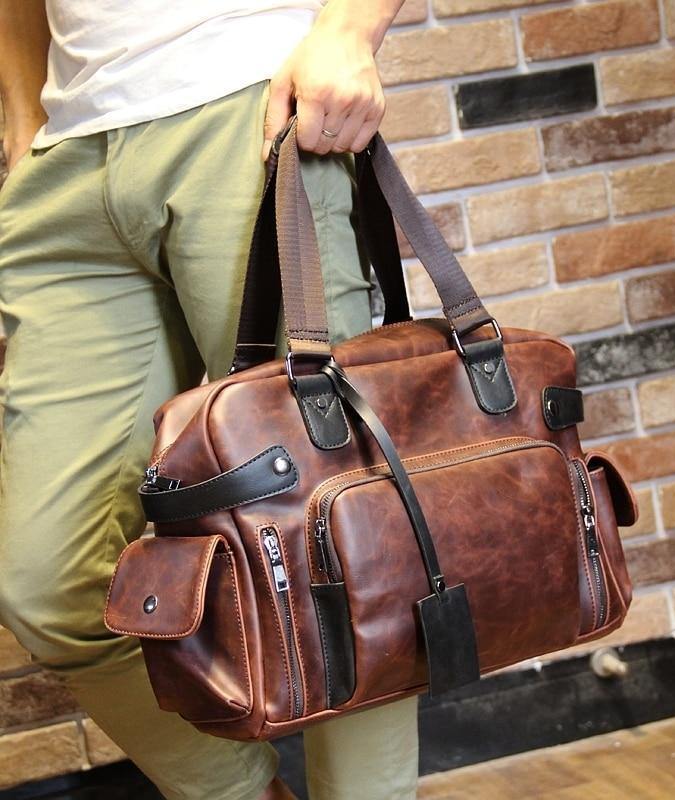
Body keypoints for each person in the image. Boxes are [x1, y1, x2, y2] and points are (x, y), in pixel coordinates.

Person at [0, 2, 420, 799]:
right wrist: (23, 122)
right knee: (47, 583)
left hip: (245, 109)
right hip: (71, 162)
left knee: (338, 536)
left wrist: (348, 31)